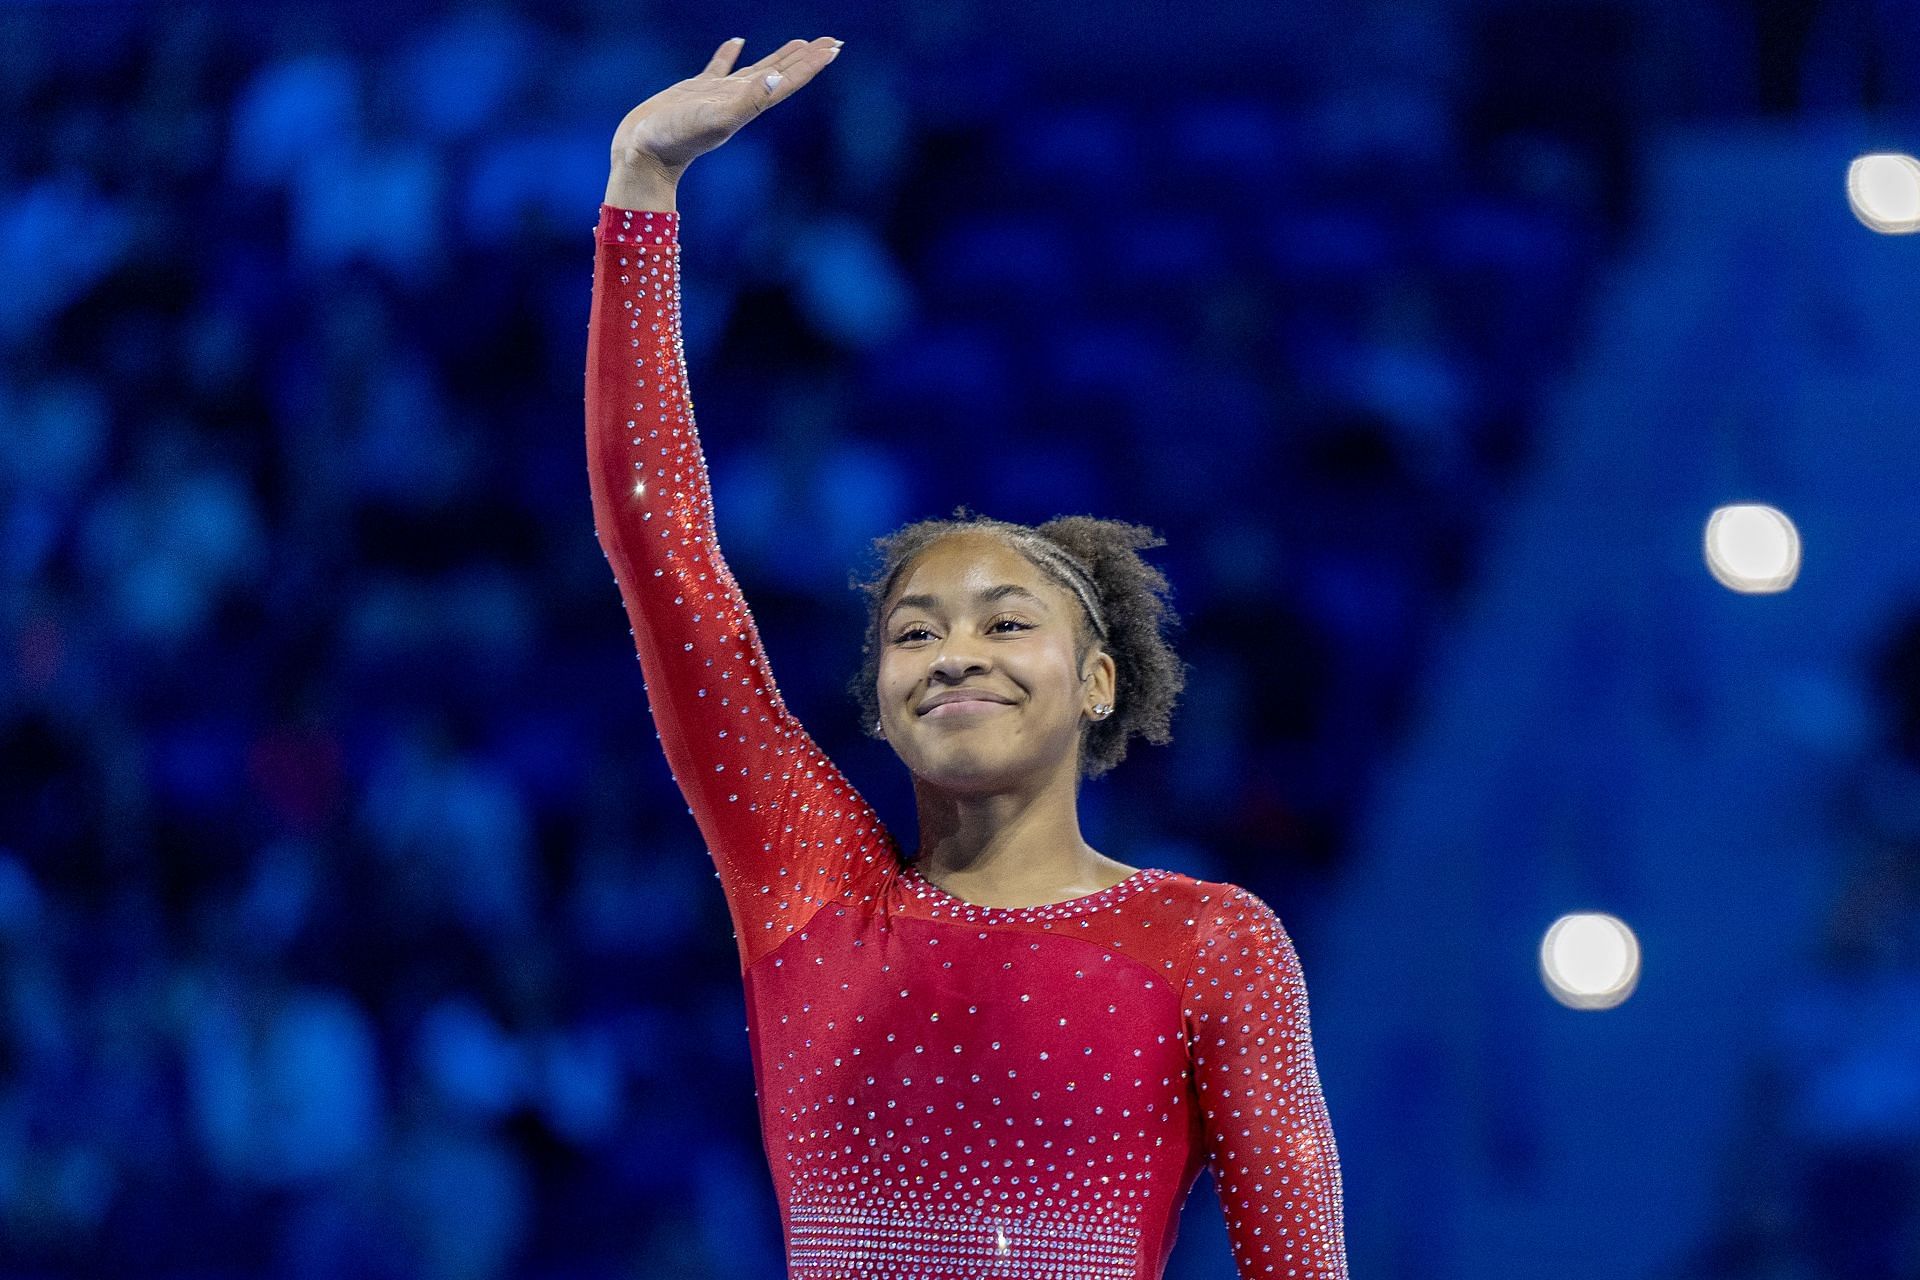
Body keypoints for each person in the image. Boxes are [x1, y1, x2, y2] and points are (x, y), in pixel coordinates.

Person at [585, 35, 1349, 1278]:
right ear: (881, 699)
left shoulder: (1211, 940)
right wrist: (642, 191)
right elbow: (659, 548)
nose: (954, 654)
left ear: (1098, 680)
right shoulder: (811, 888)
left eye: (1006, 622)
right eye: (916, 632)